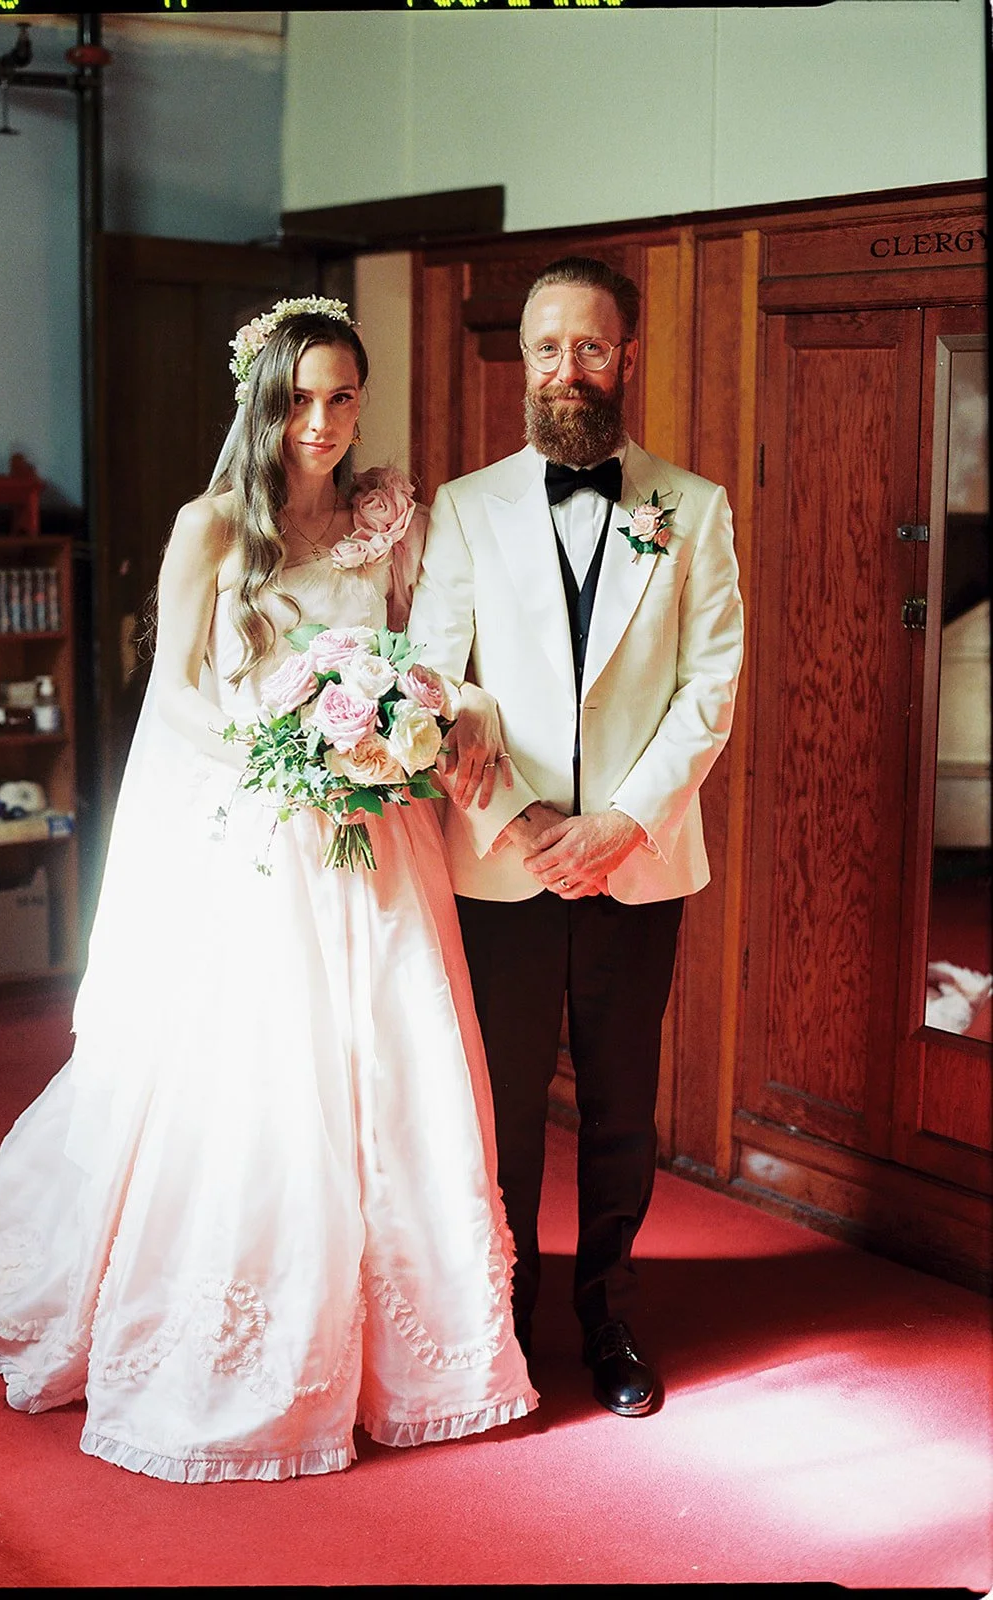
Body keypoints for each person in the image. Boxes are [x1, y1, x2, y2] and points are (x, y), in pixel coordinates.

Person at [0, 299, 536, 1483]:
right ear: (260, 400)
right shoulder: (213, 527)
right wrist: (287, 740)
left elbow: (417, 653)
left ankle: (413, 1351)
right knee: (269, 1080)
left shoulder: (385, 515)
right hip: (263, 835)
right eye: (300, 398)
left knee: (393, 1074)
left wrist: (431, 716)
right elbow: (181, 698)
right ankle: (255, 1329)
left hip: (375, 838)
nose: (322, 422)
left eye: (343, 396)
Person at [407, 256, 744, 1417]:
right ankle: (502, 1313)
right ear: (522, 358)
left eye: (589, 347)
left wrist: (616, 826)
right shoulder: (463, 507)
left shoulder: (692, 508)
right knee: (500, 1105)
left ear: (626, 355)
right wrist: (521, 821)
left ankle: (607, 1312)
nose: (566, 368)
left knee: (618, 1101)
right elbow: (431, 686)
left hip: (636, 863)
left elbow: (709, 687)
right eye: (546, 347)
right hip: (500, 862)